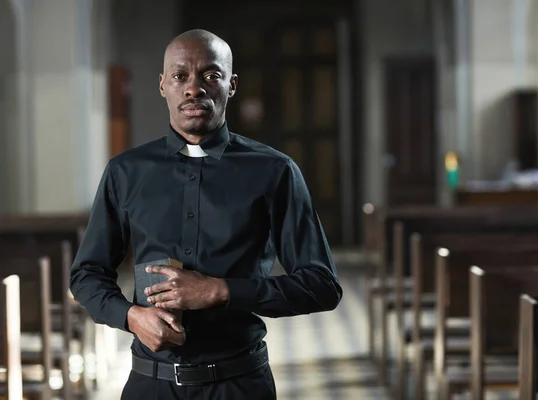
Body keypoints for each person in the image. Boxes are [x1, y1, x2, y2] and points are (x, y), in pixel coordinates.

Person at [70, 29, 343, 400]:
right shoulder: (125, 171)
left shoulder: (274, 171)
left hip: (240, 383)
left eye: (210, 76)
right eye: (180, 75)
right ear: (163, 85)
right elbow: (86, 274)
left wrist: (220, 290)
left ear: (231, 85)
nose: (194, 88)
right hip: (150, 384)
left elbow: (321, 285)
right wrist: (132, 317)